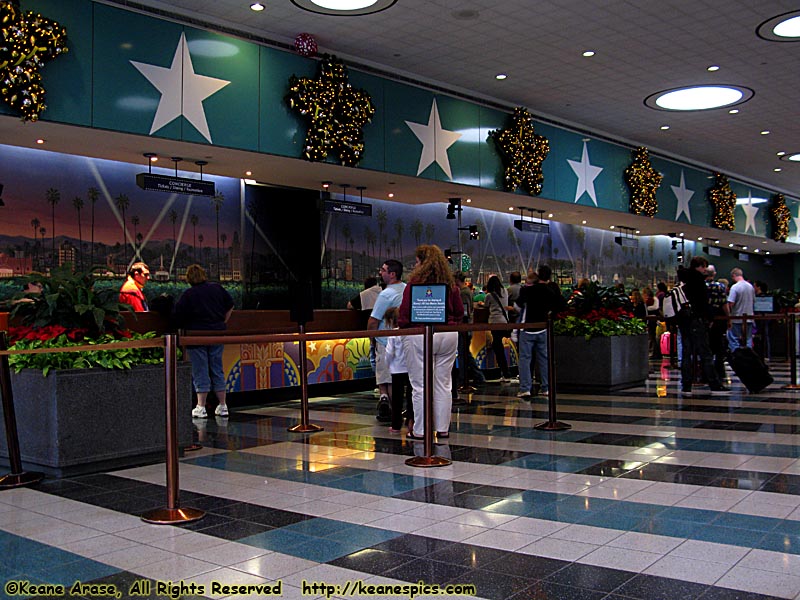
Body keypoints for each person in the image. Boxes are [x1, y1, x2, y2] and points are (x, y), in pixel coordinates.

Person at [397, 245, 463, 439]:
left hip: (420, 334)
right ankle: (443, 429)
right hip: (448, 334)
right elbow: (459, 312)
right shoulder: (450, 284)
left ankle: (420, 430)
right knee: (443, 383)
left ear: (422, 263)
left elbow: (404, 313)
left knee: (420, 385)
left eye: (417, 261)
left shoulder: (415, 283)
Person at [173, 264, 235, 418]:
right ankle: (223, 405)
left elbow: (177, 317)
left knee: (200, 370)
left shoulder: (188, 294)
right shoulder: (217, 288)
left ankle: (201, 407)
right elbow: (230, 305)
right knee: (217, 369)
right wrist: (223, 322)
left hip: (196, 337)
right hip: (216, 335)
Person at [676, 256, 728, 395]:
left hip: (683, 320)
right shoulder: (698, 281)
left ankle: (686, 384)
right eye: (704, 267)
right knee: (705, 353)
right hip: (697, 320)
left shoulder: (682, 280)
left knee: (686, 353)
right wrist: (709, 318)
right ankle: (714, 383)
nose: (705, 270)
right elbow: (703, 303)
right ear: (698, 266)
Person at [514, 265, 566, 398]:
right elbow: (561, 305)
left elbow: (517, 306)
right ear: (549, 277)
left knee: (525, 359)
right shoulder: (550, 291)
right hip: (543, 328)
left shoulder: (528, 290)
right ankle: (546, 387)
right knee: (544, 359)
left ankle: (525, 388)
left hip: (528, 329)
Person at [368, 259, 406, 421]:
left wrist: (371, 338)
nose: (380, 273)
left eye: (383, 270)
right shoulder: (407, 289)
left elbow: (373, 320)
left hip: (385, 342)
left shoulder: (386, 294)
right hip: (404, 340)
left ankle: (392, 411)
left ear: (392, 274)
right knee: (397, 378)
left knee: (387, 378)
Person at [383, 307, 412, 434]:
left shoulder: (393, 334)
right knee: (411, 396)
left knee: (397, 399)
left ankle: (396, 425)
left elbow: (389, 352)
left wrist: (387, 364)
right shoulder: (410, 332)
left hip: (396, 369)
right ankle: (411, 420)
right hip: (410, 368)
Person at [454, 271, 485, 385]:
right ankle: (477, 376)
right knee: (465, 353)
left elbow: (465, 311)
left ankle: (465, 378)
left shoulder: (463, 293)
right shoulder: (466, 292)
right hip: (465, 326)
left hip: (464, 327)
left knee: (463, 354)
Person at [483, 274, 514, 382]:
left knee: (497, 347)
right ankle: (506, 372)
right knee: (500, 345)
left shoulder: (489, 296)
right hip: (504, 322)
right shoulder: (505, 292)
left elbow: (486, 307)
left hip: (494, 323)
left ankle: (505, 372)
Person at [705, 265, 729, 380]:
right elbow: (724, 303)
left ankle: (705, 373)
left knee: (705, 346)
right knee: (719, 346)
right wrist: (728, 317)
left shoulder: (701, 286)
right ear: (714, 274)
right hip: (718, 319)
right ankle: (720, 372)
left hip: (704, 319)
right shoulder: (719, 287)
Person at [727, 267, 755, 352]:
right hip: (749, 318)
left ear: (734, 275)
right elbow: (753, 301)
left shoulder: (735, 287)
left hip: (736, 318)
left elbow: (731, 303)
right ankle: (749, 358)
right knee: (748, 339)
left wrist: (729, 315)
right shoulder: (750, 287)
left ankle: (737, 358)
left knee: (734, 339)